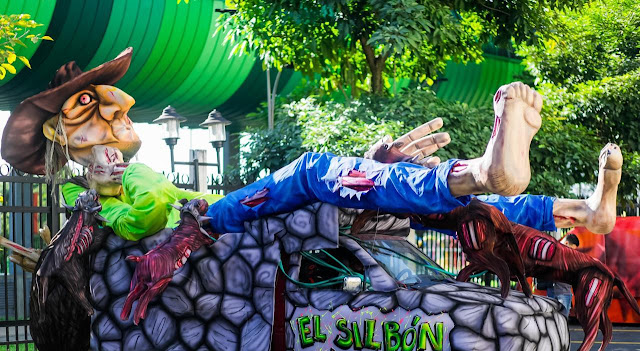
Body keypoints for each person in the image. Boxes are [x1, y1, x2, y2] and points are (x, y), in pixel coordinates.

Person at [0, 48, 623, 243]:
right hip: (209, 222)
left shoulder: (124, 176)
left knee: (407, 200)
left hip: (216, 211)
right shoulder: (94, 201)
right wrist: (112, 191)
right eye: (92, 128)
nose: (112, 136)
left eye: (113, 117)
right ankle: (480, 171)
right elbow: (145, 226)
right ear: (62, 144)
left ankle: (572, 211)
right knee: (312, 169)